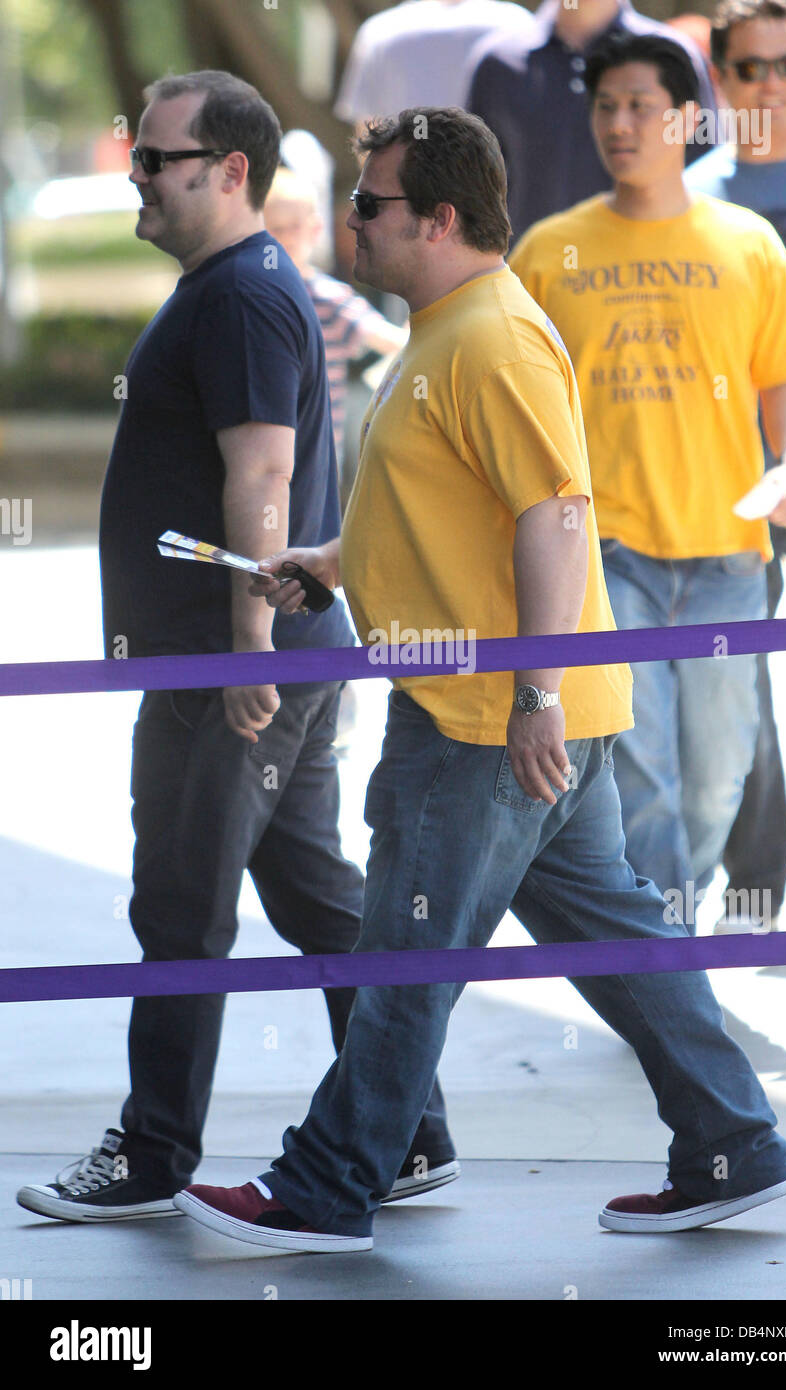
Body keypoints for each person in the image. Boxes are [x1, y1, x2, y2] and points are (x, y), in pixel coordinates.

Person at [172, 107, 786, 1254]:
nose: (352, 222)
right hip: (509, 712)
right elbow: (456, 509)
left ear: (441, 219)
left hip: (484, 722)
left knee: (404, 955)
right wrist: (336, 563)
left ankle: (331, 1178)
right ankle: (732, 1141)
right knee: (616, 944)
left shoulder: (491, 339)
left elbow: (557, 519)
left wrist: (533, 695)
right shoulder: (454, 329)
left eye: (372, 205)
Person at [16, 70, 455, 1225]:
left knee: (179, 901)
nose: (138, 178)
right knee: (314, 897)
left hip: (237, 664)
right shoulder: (237, 289)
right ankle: (409, 1128)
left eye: (158, 160)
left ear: (230, 172)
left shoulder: (244, 298)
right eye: (140, 157)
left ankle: (154, 1151)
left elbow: (260, 470)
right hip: (258, 653)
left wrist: (247, 643)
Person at [509, 32, 786, 933]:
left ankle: (661, 948)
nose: (619, 124)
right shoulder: (548, 250)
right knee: (640, 776)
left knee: (719, 775)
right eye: (605, 106)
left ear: (687, 119)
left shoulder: (747, 243)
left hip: (729, 558)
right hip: (609, 564)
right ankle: (666, 959)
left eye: (639, 106)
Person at [685, 0, 786, 932]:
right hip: (718, 488)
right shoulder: (689, 195)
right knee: (728, 679)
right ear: (719, 73)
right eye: (750, 69)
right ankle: (753, 883)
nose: (770, 85)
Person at [466, 0, 717, 243]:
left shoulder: (673, 55)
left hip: (657, 270)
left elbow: (705, 176)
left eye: (639, 104)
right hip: (529, 276)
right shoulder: (498, 62)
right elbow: (476, 190)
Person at [263, 167, 408, 503]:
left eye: (294, 228)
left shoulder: (329, 300)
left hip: (315, 461)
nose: (285, 238)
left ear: (314, 230)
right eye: (275, 229)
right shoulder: (248, 296)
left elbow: (388, 341)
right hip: (262, 453)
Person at [334, 0, 535, 128]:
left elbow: (368, 137)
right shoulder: (520, 25)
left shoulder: (378, 32)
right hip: (500, 190)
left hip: (407, 190)